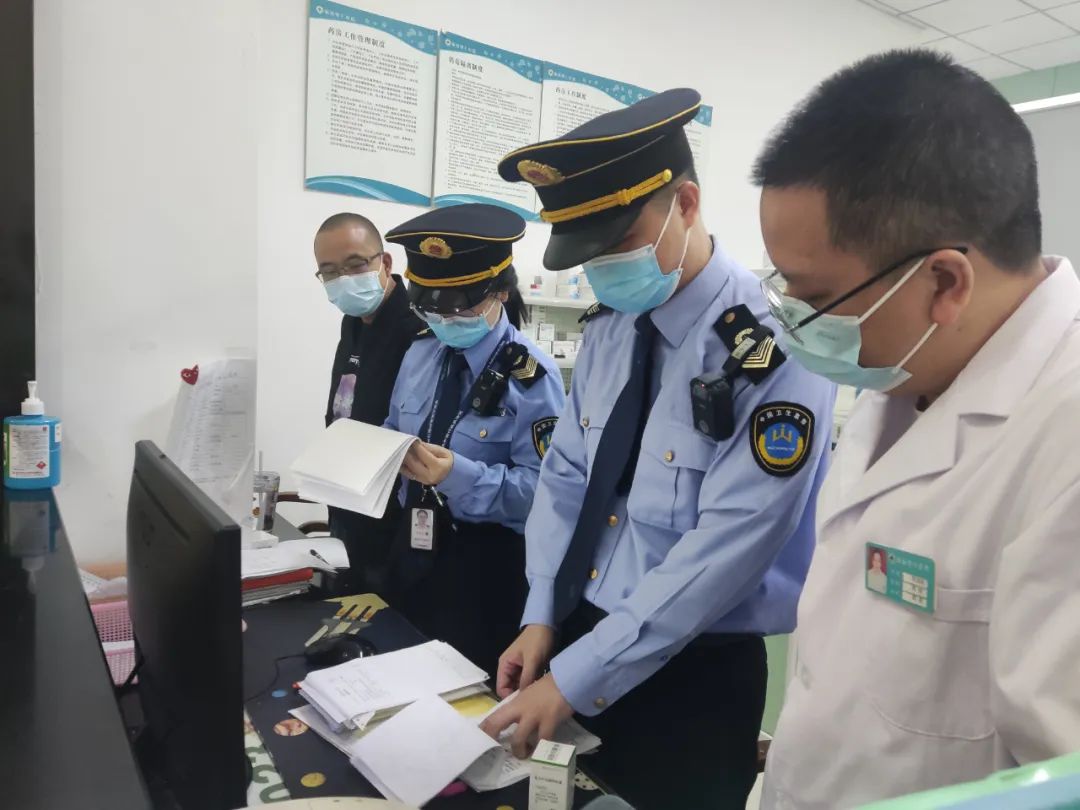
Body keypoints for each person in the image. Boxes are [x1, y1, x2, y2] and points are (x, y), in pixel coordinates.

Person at [480, 88, 836, 809]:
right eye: (587, 253)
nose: (603, 267)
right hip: (579, 637)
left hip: (693, 672)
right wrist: (542, 611)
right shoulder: (611, 329)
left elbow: (729, 547)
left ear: (687, 204)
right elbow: (567, 476)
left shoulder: (772, 349)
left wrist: (579, 674)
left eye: (616, 243)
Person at [753, 50, 1080, 809]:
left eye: (813, 297)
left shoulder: (1062, 442)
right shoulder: (908, 364)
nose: (793, 322)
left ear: (944, 282)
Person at [381, 203, 566, 672]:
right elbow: (393, 427)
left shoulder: (532, 378)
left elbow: (543, 493)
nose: (444, 320)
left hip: (483, 568)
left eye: (458, 307)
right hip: (411, 547)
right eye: (430, 308)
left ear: (499, 291)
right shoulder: (420, 353)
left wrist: (458, 476)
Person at [315, 213, 423, 591]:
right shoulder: (353, 320)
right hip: (345, 504)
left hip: (392, 522)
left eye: (355, 264)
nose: (343, 279)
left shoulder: (418, 331)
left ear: (385, 262)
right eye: (329, 271)